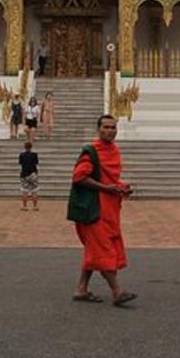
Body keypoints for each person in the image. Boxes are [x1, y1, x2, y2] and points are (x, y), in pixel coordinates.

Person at [71, 115, 136, 306]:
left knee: (95, 249)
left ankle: (81, 289)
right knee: (102, 249)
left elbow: (110, 178)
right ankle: (117, 291)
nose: (110, 131)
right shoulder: (91, 151)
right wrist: (107, 189)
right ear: (98, 129)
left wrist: (121, 187)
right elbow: (79, 177)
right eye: (106, 127)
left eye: (113, 127)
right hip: (94, 208)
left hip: (109, 207)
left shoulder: (114, 151)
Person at [19, 141, 40, 211]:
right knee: (34, 191)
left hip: (24, 174)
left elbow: (20, 163)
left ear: (24, 147)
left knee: (24, 191)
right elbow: (36, 163)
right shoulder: (34, 155)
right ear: (31, 147)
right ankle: (35, 206)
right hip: (33, 173)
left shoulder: (21, 155)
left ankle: (25, 206)